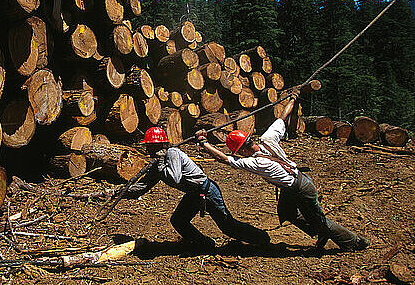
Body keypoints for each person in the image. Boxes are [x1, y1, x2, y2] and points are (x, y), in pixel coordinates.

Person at [195, 90, 369, 252]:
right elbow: (282, 118)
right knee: (287, 213)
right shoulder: (267, 139)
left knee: (321, 222)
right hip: (295, 183)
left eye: (239, 152)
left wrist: (204, 142)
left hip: (300, 188)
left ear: (242, 151)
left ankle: (355, 242)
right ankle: (318, 231)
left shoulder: (258, 163)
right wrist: (293, 98)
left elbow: (224, 159)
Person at [123, 126, 270, 247]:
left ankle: (262, 239)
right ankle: (203, 243)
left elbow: (175, 178)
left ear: (159, 145)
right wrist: (118, 192)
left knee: (228, 227)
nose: (147, 149)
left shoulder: (172, 153)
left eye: (150, 145)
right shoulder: (158, 163)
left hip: (207, 191)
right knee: (178, 220)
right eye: (147, 145)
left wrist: (161, 162)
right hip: (194, 193)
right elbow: (142, 187)